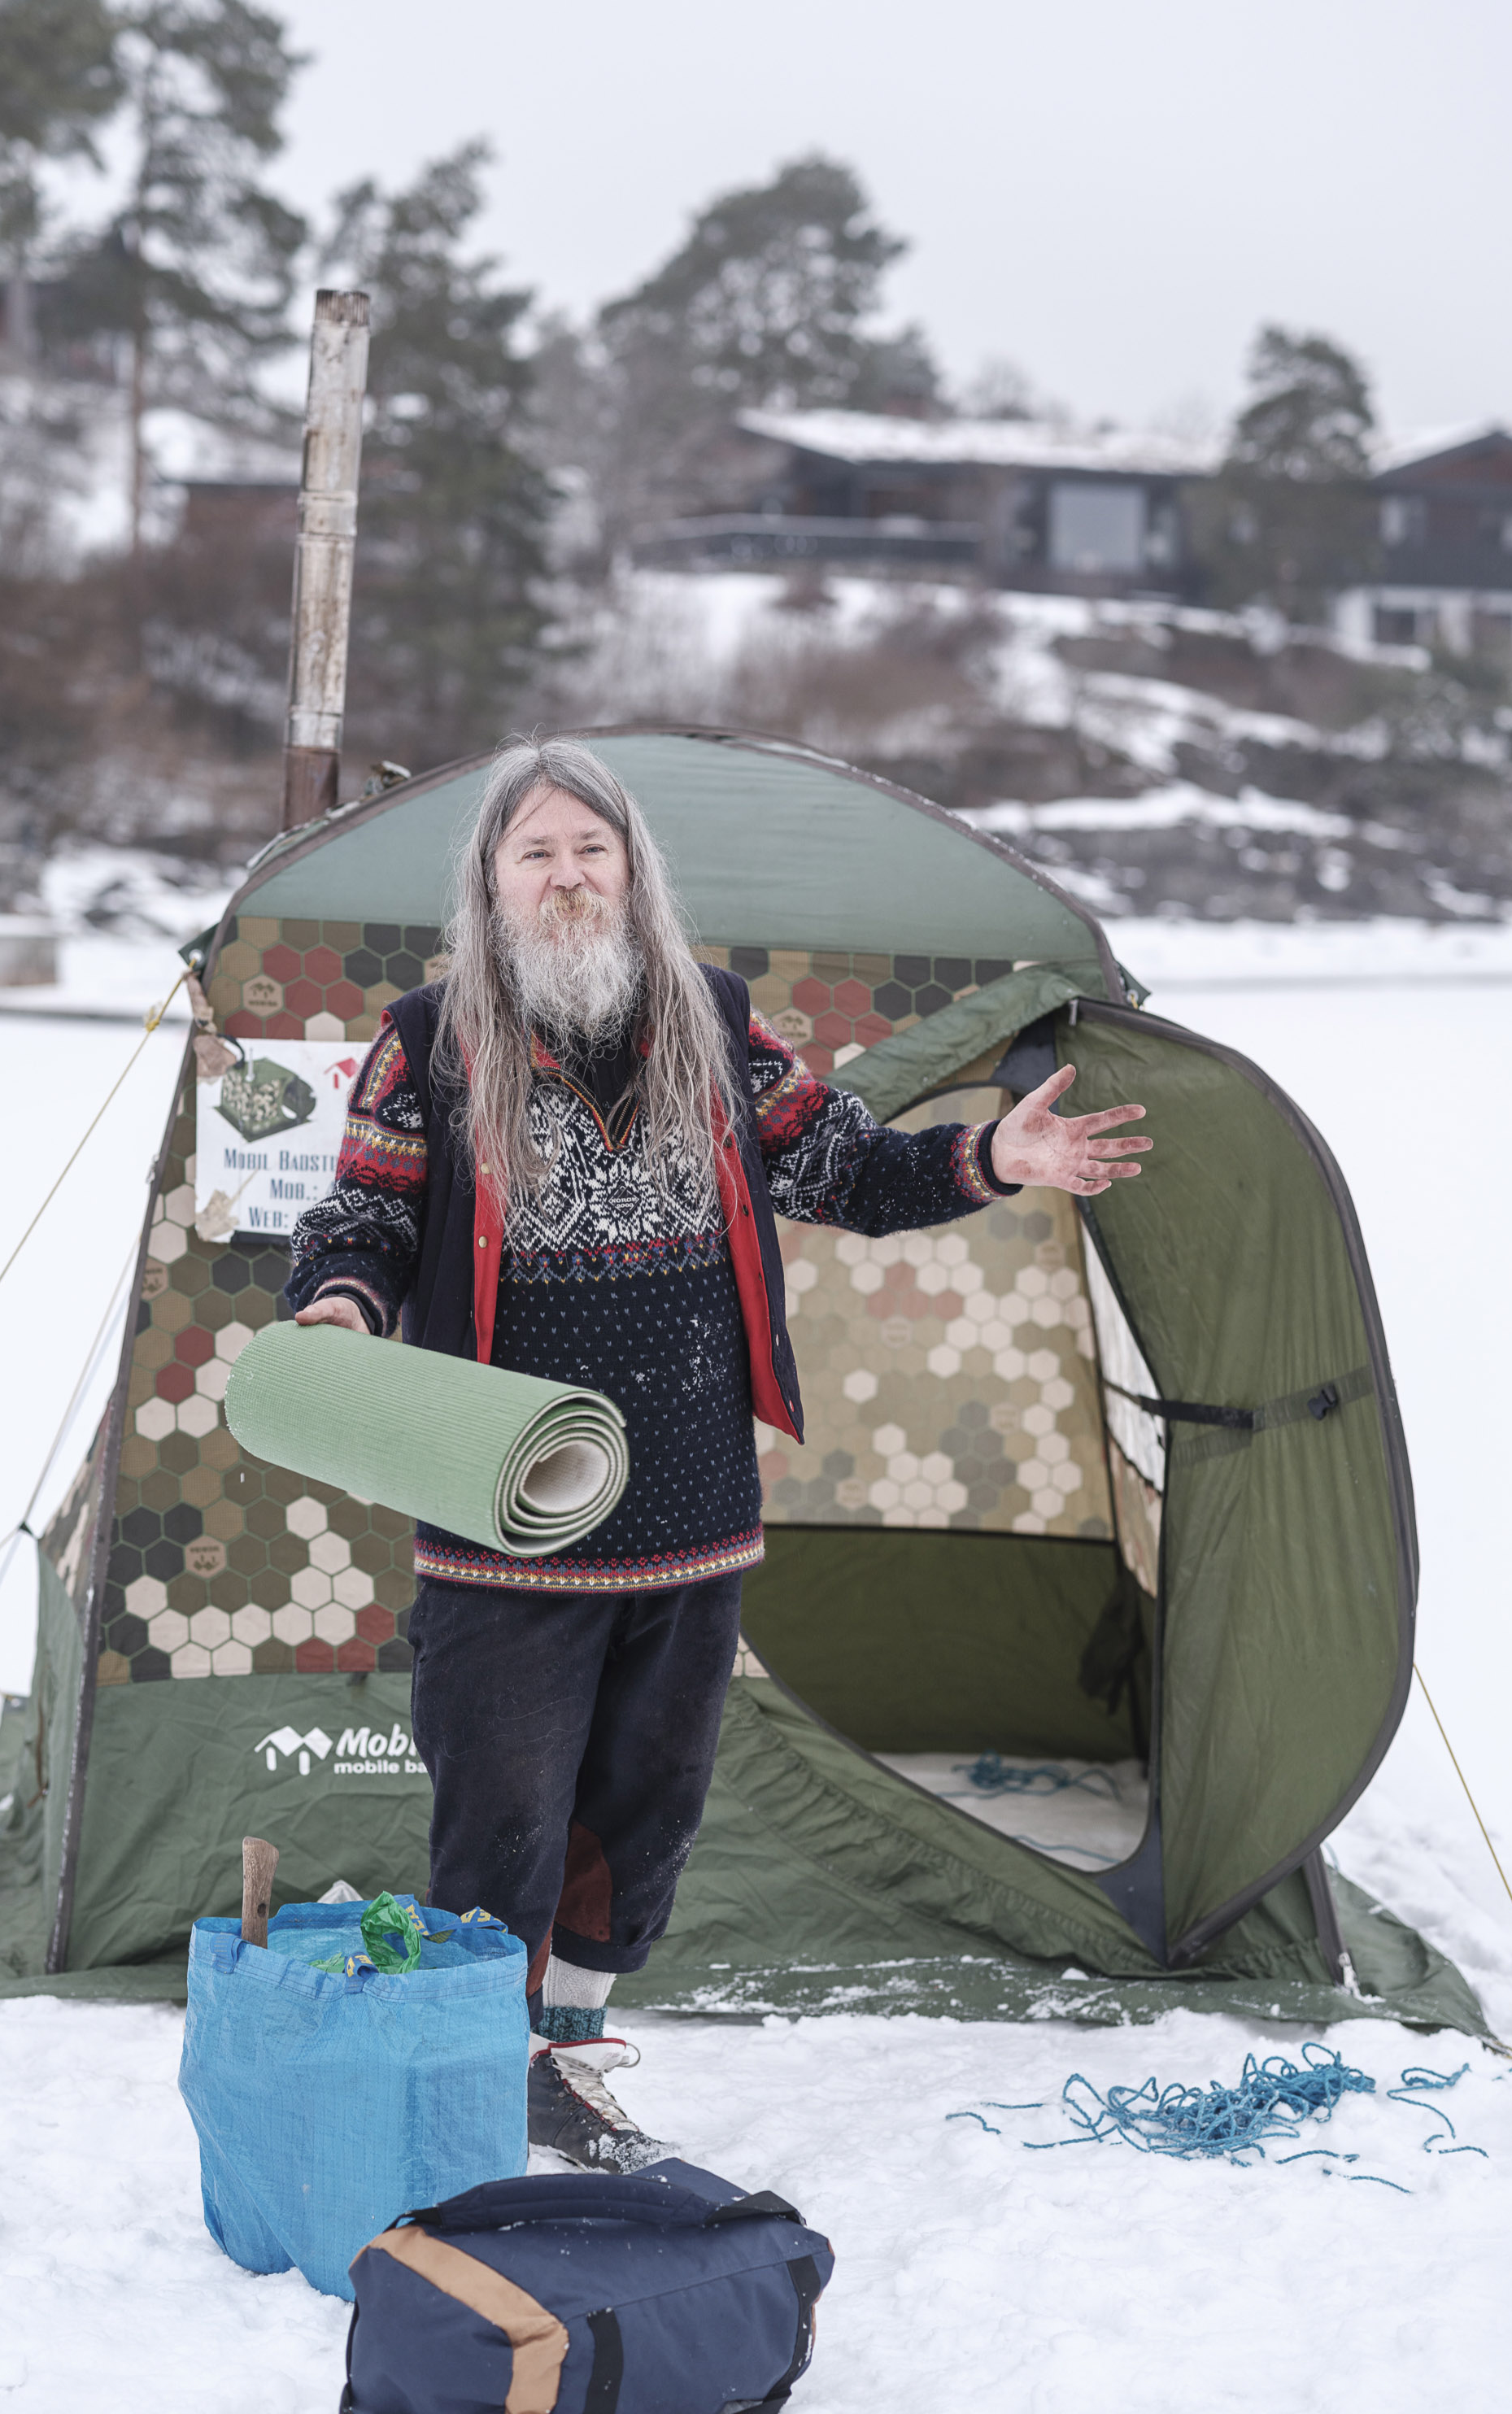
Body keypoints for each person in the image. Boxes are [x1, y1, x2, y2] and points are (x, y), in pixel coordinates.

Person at [279, 734, 1149, 2170]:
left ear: (633, 871)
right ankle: (463, 2079)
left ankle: (559, 2061)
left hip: (694, 1507)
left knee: (649, 1811)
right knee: (500, 1816)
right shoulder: (428, 1042)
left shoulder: (713, 1022)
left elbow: (847, 1169)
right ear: (491, 885)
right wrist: (335, 1307)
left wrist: (998, 1159)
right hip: (505, 1511)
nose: (567, 879)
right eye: (535, 854)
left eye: (590, 851)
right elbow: (364, 1218)